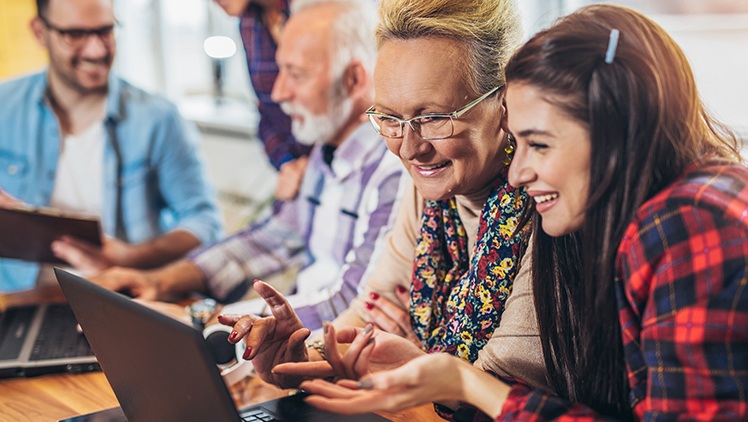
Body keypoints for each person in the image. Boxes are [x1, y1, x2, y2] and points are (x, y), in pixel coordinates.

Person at [296, 4, 748, 421]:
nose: (517, 172)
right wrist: (451, 381)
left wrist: (465, 384)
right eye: (391, 118)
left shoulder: (688, 223)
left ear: (616, 135)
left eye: (540, 144)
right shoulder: (649, 222)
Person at [220, 0, 552, 396]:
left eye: (432, 119)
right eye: (390, 119)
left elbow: (499, 390)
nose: (409, 149)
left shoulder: (550, 204)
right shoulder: (430, 189)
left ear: (504, 101)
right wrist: (304, 357)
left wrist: (405, 366)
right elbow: (375, 312)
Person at [92, 0, 405, 331]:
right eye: (279, 70)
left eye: (296, 74)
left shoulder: (394, 175)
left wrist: (204, 322)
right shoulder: (323, 153)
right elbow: (269, 241)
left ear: (354, 80)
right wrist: (157, 281)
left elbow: (352, 305)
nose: (279, 93)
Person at [0, 0, 223, 292]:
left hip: (121, 300)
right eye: (75, 34)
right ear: (40, 32)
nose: (97, 50)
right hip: (21, 300)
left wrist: (132, 258)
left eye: (106, 31)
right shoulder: (5, 107)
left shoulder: (158, 118)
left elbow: (205, 223)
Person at [212, 0, 311, 201]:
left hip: (337, 167)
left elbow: (349, 106)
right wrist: (287, 163)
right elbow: (265, 111)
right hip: (295, 177)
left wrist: (316, 163)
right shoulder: (249, 23)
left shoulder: (314, 11)